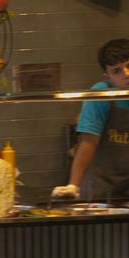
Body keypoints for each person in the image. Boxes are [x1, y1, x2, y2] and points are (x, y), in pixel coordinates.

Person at [53, 39, 129, 199]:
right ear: (107, 76)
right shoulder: (101, 94)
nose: (126, 74)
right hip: (102, 190)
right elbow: (88, 142)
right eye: (117, 71)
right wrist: (73, 185)